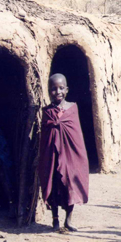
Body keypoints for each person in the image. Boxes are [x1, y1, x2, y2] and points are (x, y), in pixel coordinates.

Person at [38, 73, 89, 231]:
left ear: (66, 90)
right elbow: (45, 137)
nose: (57, 91)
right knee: (53, 186)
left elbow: (76, 136)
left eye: (61, 88)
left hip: (69, 156)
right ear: (49, 91)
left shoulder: (72, 108)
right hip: (52, 156)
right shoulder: (47, 111)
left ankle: (68, 220)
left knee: (70, 184)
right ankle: (55, 220)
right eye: (53, 89)